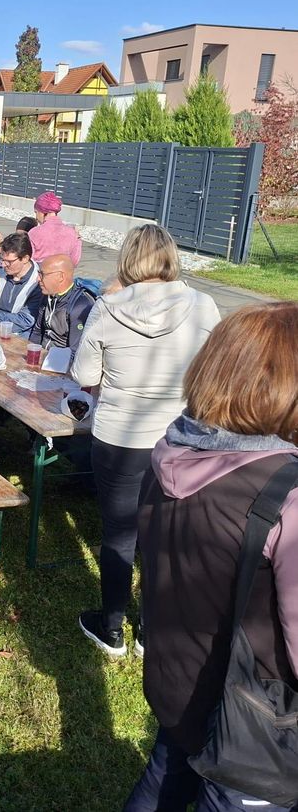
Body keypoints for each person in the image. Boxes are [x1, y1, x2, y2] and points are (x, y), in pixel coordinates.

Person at [123, 302, 298, 812]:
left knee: (166, 776)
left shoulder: (170, 451)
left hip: (179, 684)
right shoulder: (285, 493)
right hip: (257, 724)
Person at [70, 225, 221, 657]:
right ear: (170, 257)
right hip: (179, 435)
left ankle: (112, 626)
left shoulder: (108, 307)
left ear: (128, 260)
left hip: (120, 434)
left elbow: (83, 376)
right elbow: (216, 366)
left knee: (119, 532)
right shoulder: (203, 305)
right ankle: (151, 629)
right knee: (166, 533)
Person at [0, 231, 42, 336]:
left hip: (18, 334)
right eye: (2, 259)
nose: (3, 264)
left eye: (9, 261)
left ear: (25, 259)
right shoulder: (0, 272)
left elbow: (26, 320)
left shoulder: (37, 282)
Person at [29, 254, 94, 355]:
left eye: (42, 274)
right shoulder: (47, 294)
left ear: (61, 276)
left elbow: (75, 351)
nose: (38, 279)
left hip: (59, 363)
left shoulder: (80, 306)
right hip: (43, 356)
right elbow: (37, 332)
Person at [28, 191, 82, 265]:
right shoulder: (72, 233)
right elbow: (74, 261)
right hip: (63, 274)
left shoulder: (34, 233)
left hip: (41, 274)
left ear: (43, 212)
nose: (36, 217)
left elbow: (29, 261)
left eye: (36, 212)